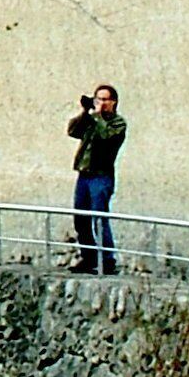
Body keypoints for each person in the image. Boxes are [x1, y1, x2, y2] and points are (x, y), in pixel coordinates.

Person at [67, 85, 126, 274]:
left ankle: (107, 260)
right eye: (98, 99)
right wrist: (85, 111)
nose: (101, 103)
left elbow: (105, 135)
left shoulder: (118, 123)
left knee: (99, 218)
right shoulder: (91, 119)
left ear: (113, 102)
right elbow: (73, 130)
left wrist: (98, 115)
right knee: (81, 219)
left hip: (101, 177)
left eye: (105, 99)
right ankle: (89, 256)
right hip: (84, 176)